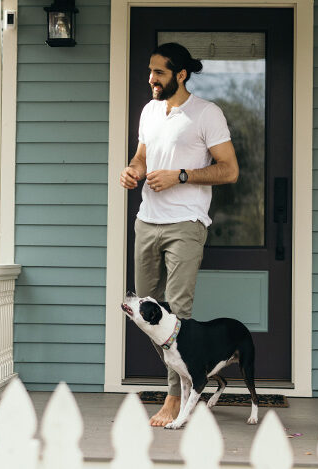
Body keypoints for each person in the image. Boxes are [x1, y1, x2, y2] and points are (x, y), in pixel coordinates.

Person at [119, 42, 239, 427]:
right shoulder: (150, 111)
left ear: (181, 74)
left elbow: (229, 170)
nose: (151, 79)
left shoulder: (207, 114)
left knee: (177, 311)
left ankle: (175, 395)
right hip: (146, 222)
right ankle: (190, 380)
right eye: (150, 71)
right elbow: (142, 155)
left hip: (186, 224)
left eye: (159, 72)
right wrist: (133, 170)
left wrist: (181, 175)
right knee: (145, 314)